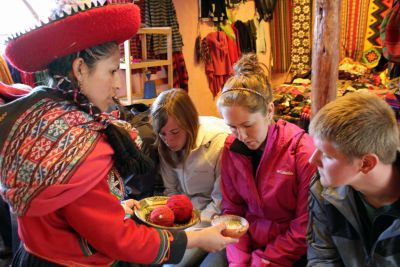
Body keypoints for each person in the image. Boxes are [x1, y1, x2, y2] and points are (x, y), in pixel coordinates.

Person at [0, 3, 237, 266]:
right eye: (113, 71)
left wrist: (116, 209)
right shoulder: (80, 147)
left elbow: (67, 212)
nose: (117, 85)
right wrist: (198, 238)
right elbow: (119, 239)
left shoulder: (39, 113)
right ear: (80, 69)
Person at [217, 53, 316, 266]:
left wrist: (263, 261)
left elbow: (304, 227)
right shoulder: (230, 148)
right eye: (232, 127)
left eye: (248, 125)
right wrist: (239, 260)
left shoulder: (302, 151)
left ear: (269, 111)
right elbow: (232, 211)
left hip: (290, 251)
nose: (241, 136)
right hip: (245, 242)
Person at [307, 91, 400, 266]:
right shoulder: (323, 190)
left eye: (327, 155)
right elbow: (322, 258)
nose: (312, 160)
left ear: (366, 163)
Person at [151, 88, 231, 267]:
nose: (169, 141)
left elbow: (220, 201)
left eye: (174, 132)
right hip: (183, 216)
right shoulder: (165, 146)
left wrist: (192, 232)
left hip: (212, 218)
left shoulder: (219, 144)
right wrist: (173, 225)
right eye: (162, 134)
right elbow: (171, 191)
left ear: (189, 124)